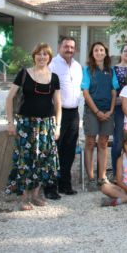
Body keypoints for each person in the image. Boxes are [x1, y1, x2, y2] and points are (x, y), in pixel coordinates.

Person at [5, 43, 61, 210]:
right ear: (34, 56)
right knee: (24, 160)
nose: (42, 57)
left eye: (45, 54)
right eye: (39, 54)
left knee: (42, 160)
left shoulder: (54, 77)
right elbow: (9, 98)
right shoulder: (24, 74)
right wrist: (10, 122)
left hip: (46, 125)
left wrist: (57, 126)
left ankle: (36, 196)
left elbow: (58, 104)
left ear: (49, 58)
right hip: (26, 124)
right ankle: (23, 198)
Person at [46, 36, 82, 199]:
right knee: (55, 151)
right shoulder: (52, 65)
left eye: (72, 47)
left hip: (74, 113)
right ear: (59, 47)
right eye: (66, 46)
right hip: (57, 113)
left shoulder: (77, 66)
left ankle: (65, 184)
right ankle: (50, 187)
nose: (69, 49)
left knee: (69, 151)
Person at [82, 42, 119, 190]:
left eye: (101, 50)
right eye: (96, 50)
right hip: (92, 111)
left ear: (105, 53)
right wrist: (97, 111)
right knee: (90, 142)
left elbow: (113, 91)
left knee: (103, 143)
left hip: (108, 111)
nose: (99, 52)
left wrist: (110, 111)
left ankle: (102, 177)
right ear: (92, 53)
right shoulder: (87, 70)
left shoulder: (111, 71)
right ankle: (91, 179)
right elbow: (85, 92)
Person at [111, 43, 127, 177]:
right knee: (119, 141)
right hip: (119, 108)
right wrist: (118, 100)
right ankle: (116, 173)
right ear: (121, 53)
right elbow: (111, 89)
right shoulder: (114, 69)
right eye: (126, 51)